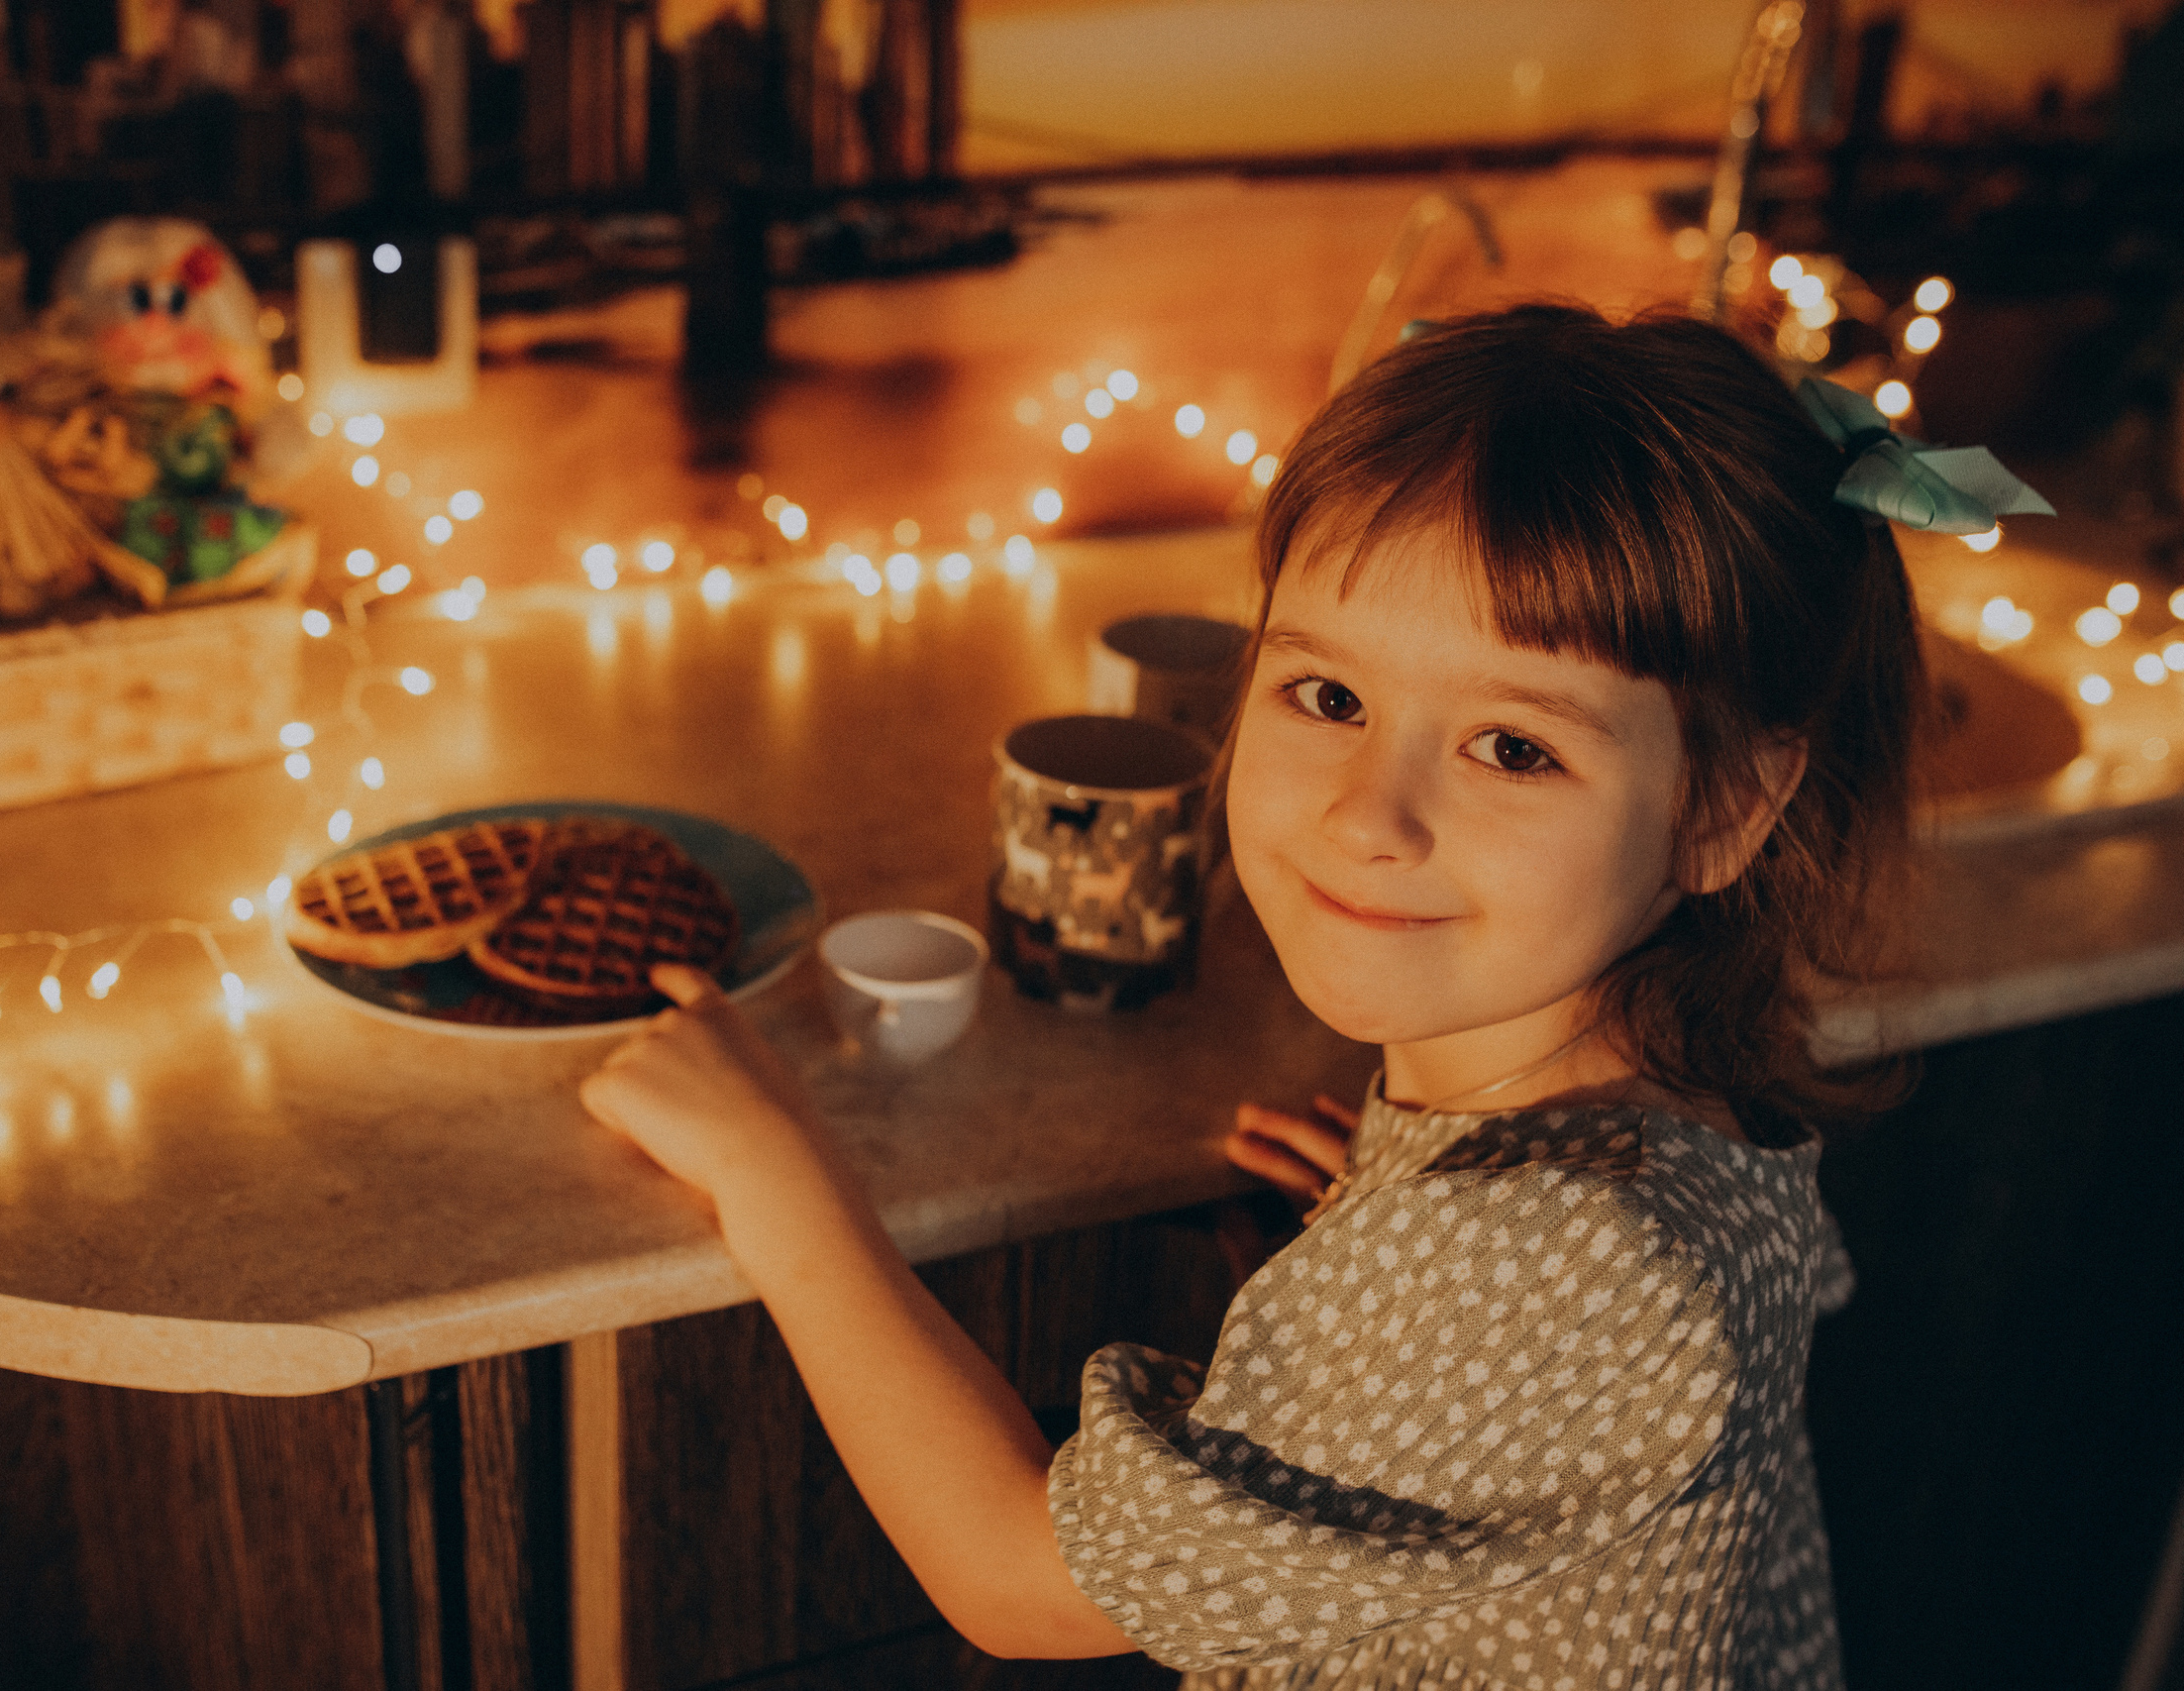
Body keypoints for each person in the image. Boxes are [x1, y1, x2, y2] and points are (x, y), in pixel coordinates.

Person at [578, 303, 2016, 1689]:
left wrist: (775, 1171)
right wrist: (1397, 1260)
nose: (1365, 817)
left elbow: (1014, 1579)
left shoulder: (1545, 1271)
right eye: (1327, 699)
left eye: (1514, 749)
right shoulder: (1684, 1107)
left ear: (1728, 808)